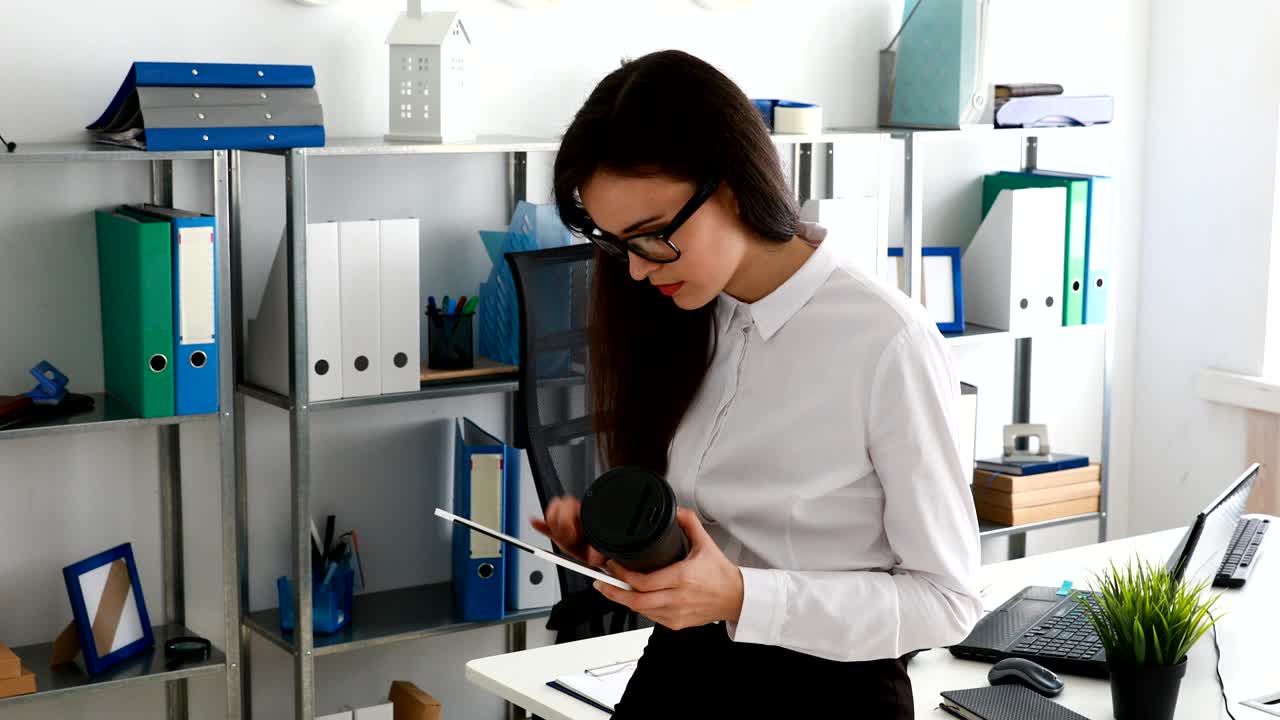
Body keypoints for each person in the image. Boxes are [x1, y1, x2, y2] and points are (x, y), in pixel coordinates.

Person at [531, 49, 982, 718]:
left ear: (734, 186)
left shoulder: (887, 342)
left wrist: (741, 596)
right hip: (681, 675)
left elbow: (948, 603)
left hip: (828, 696)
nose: (634, 270)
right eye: (619, 243)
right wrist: (629, 547)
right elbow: (712, 535)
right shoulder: (682, 317)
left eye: (652, 235)